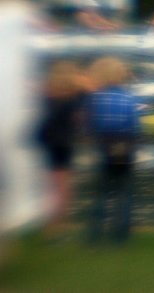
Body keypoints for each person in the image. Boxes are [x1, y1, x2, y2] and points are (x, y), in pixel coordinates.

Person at [85, 57, 139, 244]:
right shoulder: (128, 97)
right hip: (124, 147)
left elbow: (90, 125)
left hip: (102, 146)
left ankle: (93, 234)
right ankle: (120, 236)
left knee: (101, 192)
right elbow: (134, 126)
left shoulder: (95, 98)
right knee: (124, 192)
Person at [35, 61, 91, 236]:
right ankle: (62, 219)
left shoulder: (47, 92)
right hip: (66, 141)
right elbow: (82, 114)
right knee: (64, 183)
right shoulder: (77, 95)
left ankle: (53, 220)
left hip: (49, 140)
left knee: (51, 183)